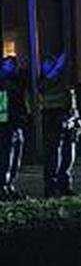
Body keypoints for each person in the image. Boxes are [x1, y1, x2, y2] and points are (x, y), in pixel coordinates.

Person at [38, 52, 81, 197]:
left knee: (68, 154)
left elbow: (71, 99)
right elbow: (43, 88)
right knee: (54, 155)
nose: (50, 67)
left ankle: (65, 186)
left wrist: (76, 118)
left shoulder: (63, 80)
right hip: (52, 117)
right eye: (47, 65)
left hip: (67, 117)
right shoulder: (42, 81)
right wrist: (57, 67)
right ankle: (51, 188)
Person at [0, 54, 27, 199]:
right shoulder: (3, 83)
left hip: (16, 123)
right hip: (7, 125)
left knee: (15, 156)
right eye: (6, 64)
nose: (9, 67)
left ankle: (9, 185)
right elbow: (2, 106)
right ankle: (4, 186)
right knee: (6, 157)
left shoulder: (16, 80)